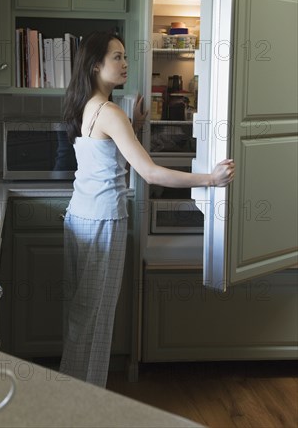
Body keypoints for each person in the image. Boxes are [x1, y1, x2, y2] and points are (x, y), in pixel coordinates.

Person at [59, 31, 235, 388]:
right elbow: (150, 172)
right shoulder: (110, 112)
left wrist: (133, 126)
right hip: (103, 221)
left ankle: (71, 397)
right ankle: (83, 406)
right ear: (96, 65)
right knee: (96, 317)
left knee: (81, 315)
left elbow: (105, 156)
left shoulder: (85, 104)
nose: (125, 64)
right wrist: (210, 179)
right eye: (117, 58)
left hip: (79, 216)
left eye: (125, 56)